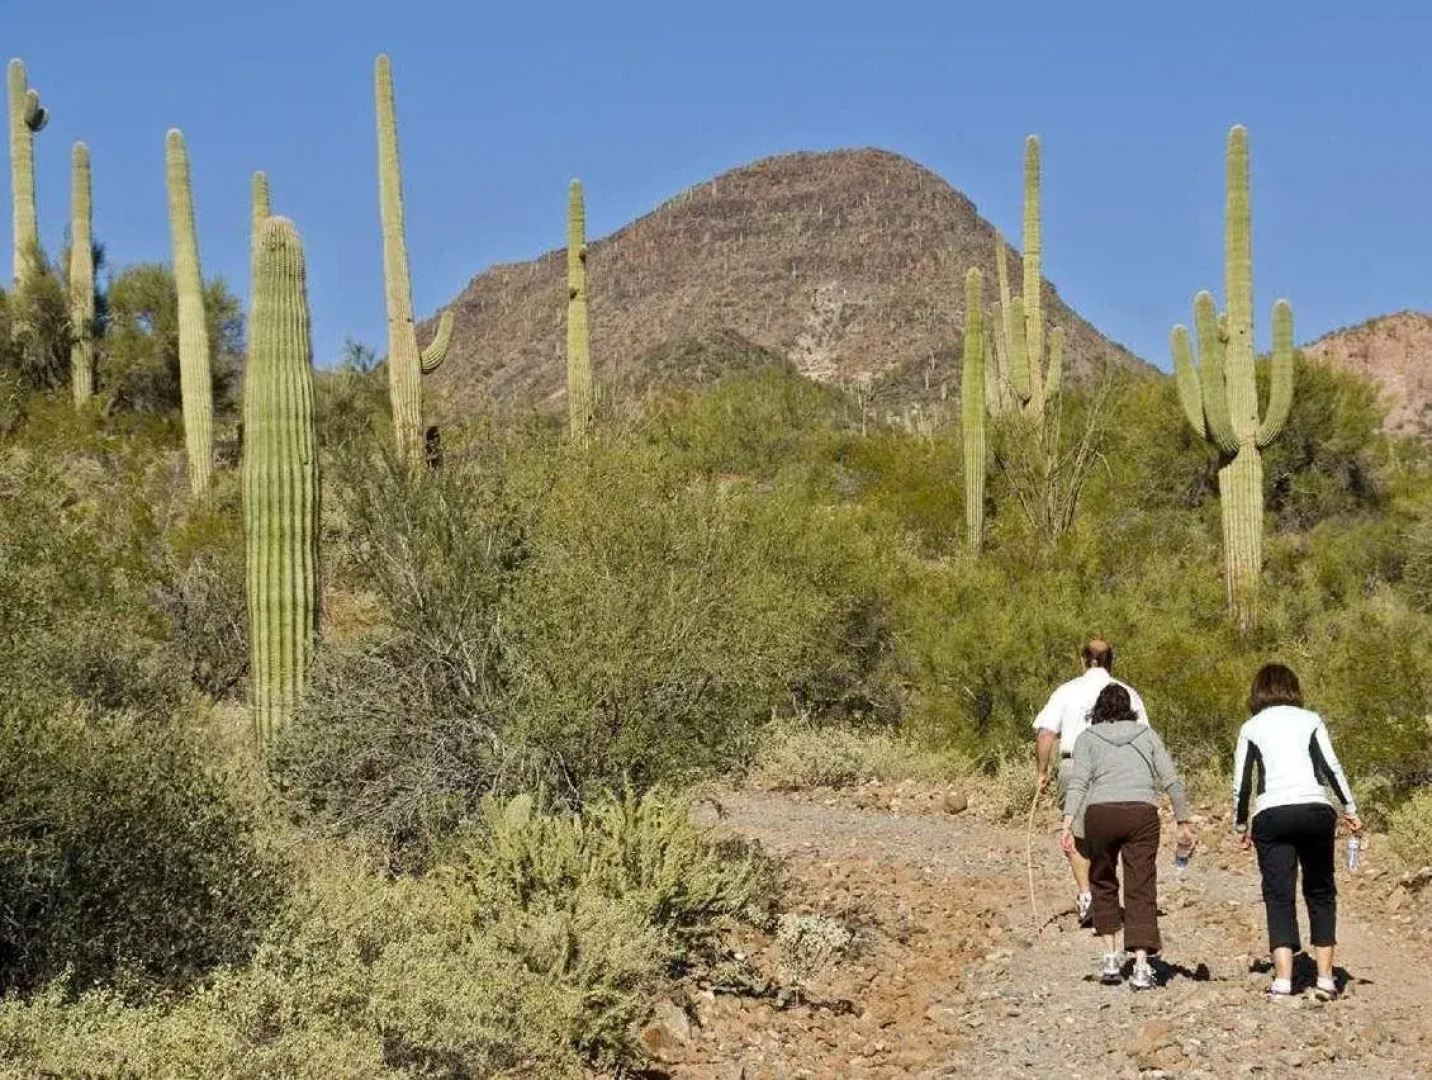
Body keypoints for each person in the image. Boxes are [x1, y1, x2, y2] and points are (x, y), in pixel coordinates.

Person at [1233, 663, 1362, 1002]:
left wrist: (1241, 823)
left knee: (1278, 894)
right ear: (1293, 689)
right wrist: (1350, 809)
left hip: (1272, 814)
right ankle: (1325, 979)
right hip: (1314, 810)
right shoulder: (1311, 719)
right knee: (1320, 890)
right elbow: (1330, 766)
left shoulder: (1251, 727)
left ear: (1258, 691)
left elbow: (1242, 781)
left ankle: (1283, 981)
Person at [1061, 684, 1194, 990]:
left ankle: (1110, 957)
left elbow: (1079, 783)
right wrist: (1183, 820)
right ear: (1130, 710)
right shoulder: (1147, 735)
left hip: (1100, 814)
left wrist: (1067, 824)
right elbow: (1171, 779)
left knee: (1103, 880)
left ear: (1099, 711)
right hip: (1141, 814)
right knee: (1141, 885)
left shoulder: (1087, 738)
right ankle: (1143, 966)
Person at [1034, 638, 1151, 925]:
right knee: (1112, 830)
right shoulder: (1128, 693)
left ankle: (1087, 896)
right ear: (1111, 661)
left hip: (1074, 764)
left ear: (1083, 661)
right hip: (1117, 766)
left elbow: (1046, 734)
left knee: (1076, 833)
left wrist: (1042, 772)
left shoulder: (1066, 691)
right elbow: (1144, 735)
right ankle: (1107, 896)